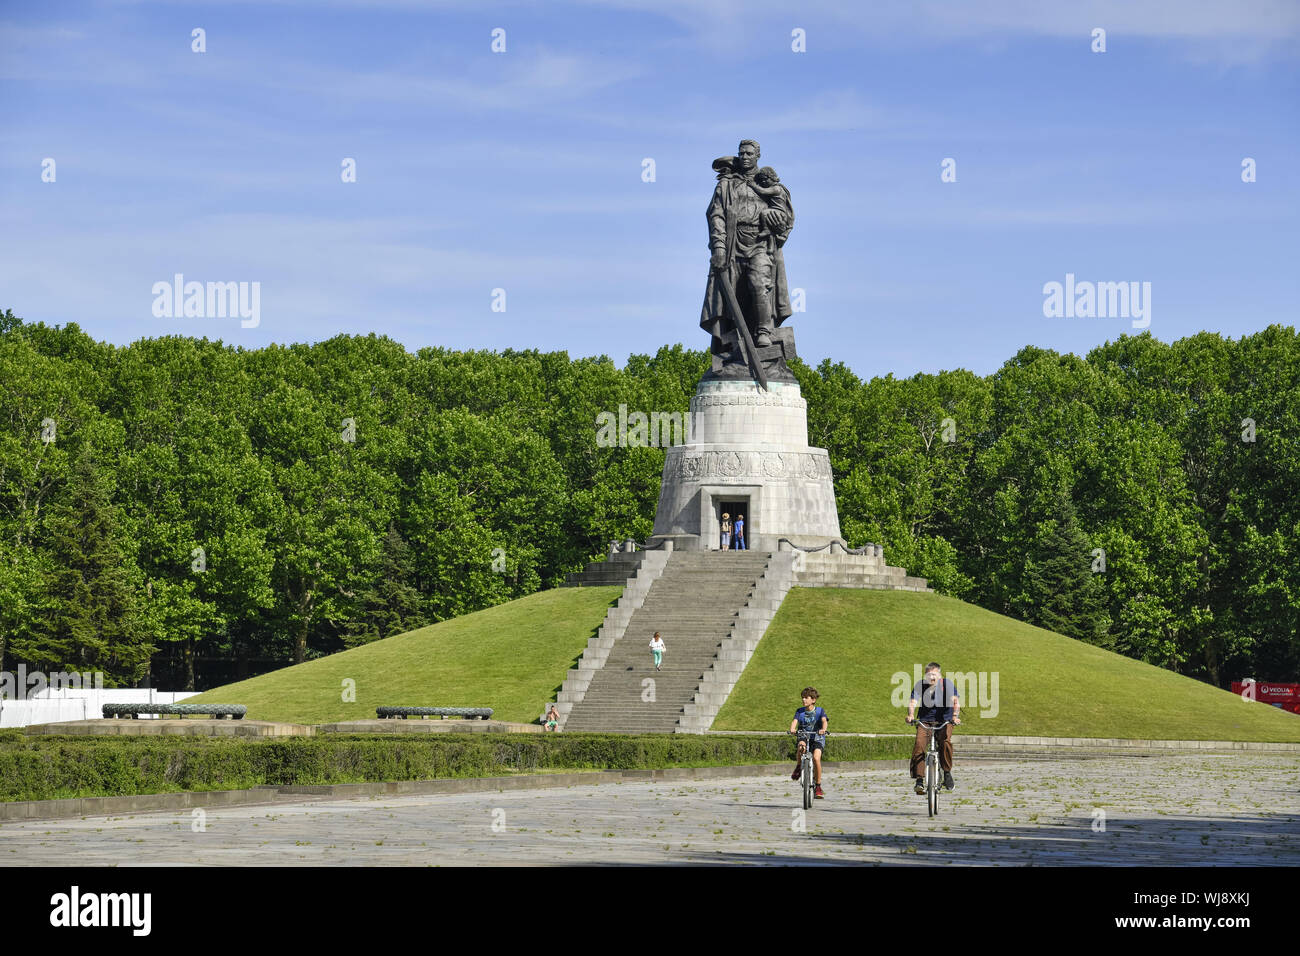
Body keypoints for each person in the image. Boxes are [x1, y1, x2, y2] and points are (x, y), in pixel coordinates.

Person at [700, 140, 795, 360]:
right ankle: (735, 348)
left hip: (760, 244)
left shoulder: (767, 182)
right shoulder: (726, 185)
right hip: (733, 245)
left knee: (758, 282)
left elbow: (786, 217)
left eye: (749, 153)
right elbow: (716, 216)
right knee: (733, 296)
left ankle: (763, 331)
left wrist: (777, 220)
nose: (744, 156)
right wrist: (719, 248)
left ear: (758, 155)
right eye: (741, 153)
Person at [906, 662, 961, 792]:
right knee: (919, 744)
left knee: (945, 742)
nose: (932, 677)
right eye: (929, 674)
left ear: (939, 675)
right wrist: (911, 715)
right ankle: (919, 780)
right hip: (925, 720)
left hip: (945, 719)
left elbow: (955, 701)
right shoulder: (921, 685)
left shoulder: (946, 684)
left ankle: (946, 773)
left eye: (934, 674)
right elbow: (913, 701)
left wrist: (954, 716)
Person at [789, 686, 828, 799]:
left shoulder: (820, 711)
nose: (803, 700)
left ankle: (818, 786)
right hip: (804, 735)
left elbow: (824, 721)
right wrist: (792, 729)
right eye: (802, 698)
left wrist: (823, 730)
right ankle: (798, 766)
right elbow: (794, 721)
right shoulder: (799, 711)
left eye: (806, 698)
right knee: (801, 747)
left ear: (813, 700)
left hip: (817, 737)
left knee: (816, 758)